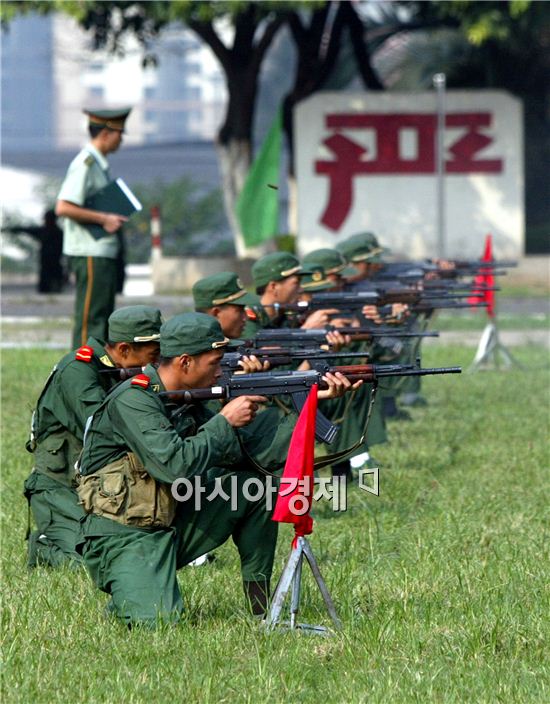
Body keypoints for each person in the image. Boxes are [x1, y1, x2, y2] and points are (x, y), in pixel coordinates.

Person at [76, 312, 351, 626]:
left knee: (256, 488)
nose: (221, 371)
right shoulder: (133, 400)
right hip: (123, 537)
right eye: (215, 363)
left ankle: (264, 609)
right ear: (185, 362)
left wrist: (311, 399)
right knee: (159, 624)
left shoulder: (189, 398)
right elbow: (175, 466)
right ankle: (132, 591)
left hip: (169, 522)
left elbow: (252, 454)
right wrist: (224, 421)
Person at [24, 305, 162, 568]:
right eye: (154, 356)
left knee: (134, 549)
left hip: (104, 485)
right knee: (91, 560)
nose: (157, 364)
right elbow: (102, 428)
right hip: (61, 486)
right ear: (123, 350)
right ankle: (43, 547)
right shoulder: (79, 369)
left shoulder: (118, 370)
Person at [55, 107, 132, 349]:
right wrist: (104, 218)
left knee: (103, 319)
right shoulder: (85, 164)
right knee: (91, 321)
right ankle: (79, 375)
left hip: (102, 251)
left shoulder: (99, 164)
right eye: (120, 133)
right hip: (90, 251)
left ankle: (96, 373)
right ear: (107, 133)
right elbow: (63, 207)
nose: (121, 138)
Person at [4, 209, 66, 293]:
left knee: (55, 284)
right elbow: (24, 229)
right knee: (46, 287)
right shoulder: (49, 232)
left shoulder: (57, 233)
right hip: (47, 264)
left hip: (54, 263)